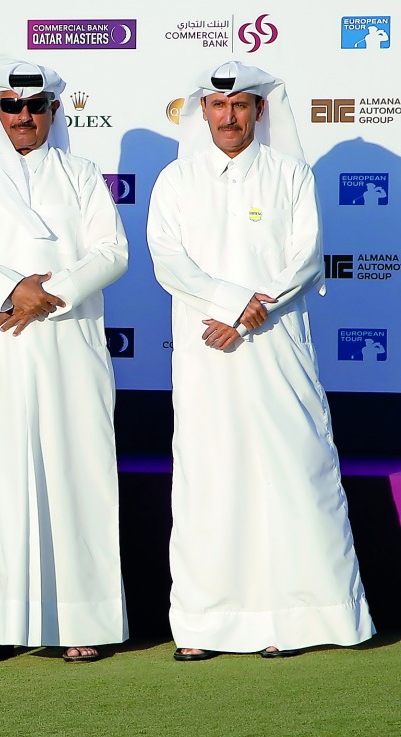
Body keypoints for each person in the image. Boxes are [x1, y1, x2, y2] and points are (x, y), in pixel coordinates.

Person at [146, 61, 375, 660]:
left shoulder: (291, 174)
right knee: (209, 479)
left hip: (276, 347)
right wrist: (230, 305)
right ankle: (206, 625)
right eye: (219, 106)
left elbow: (305, 259)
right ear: (203, 111)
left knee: (295, 475)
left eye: (241, 105)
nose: (229, 117)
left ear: (259, 110)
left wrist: (248, 315)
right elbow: (168, 261)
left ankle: (306, 620)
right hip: (205, 352)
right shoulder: (176, 179)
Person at [0, 58, 129, 665]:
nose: (23, 116)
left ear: (53, 110)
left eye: (35, 105)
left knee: (78, 475)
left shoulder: (82, 173)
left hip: (69, 350)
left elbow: (113, 252)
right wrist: (12, 288)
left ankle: (84, 620)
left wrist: (49, 293)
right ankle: (0, 623)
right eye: (11, 106)